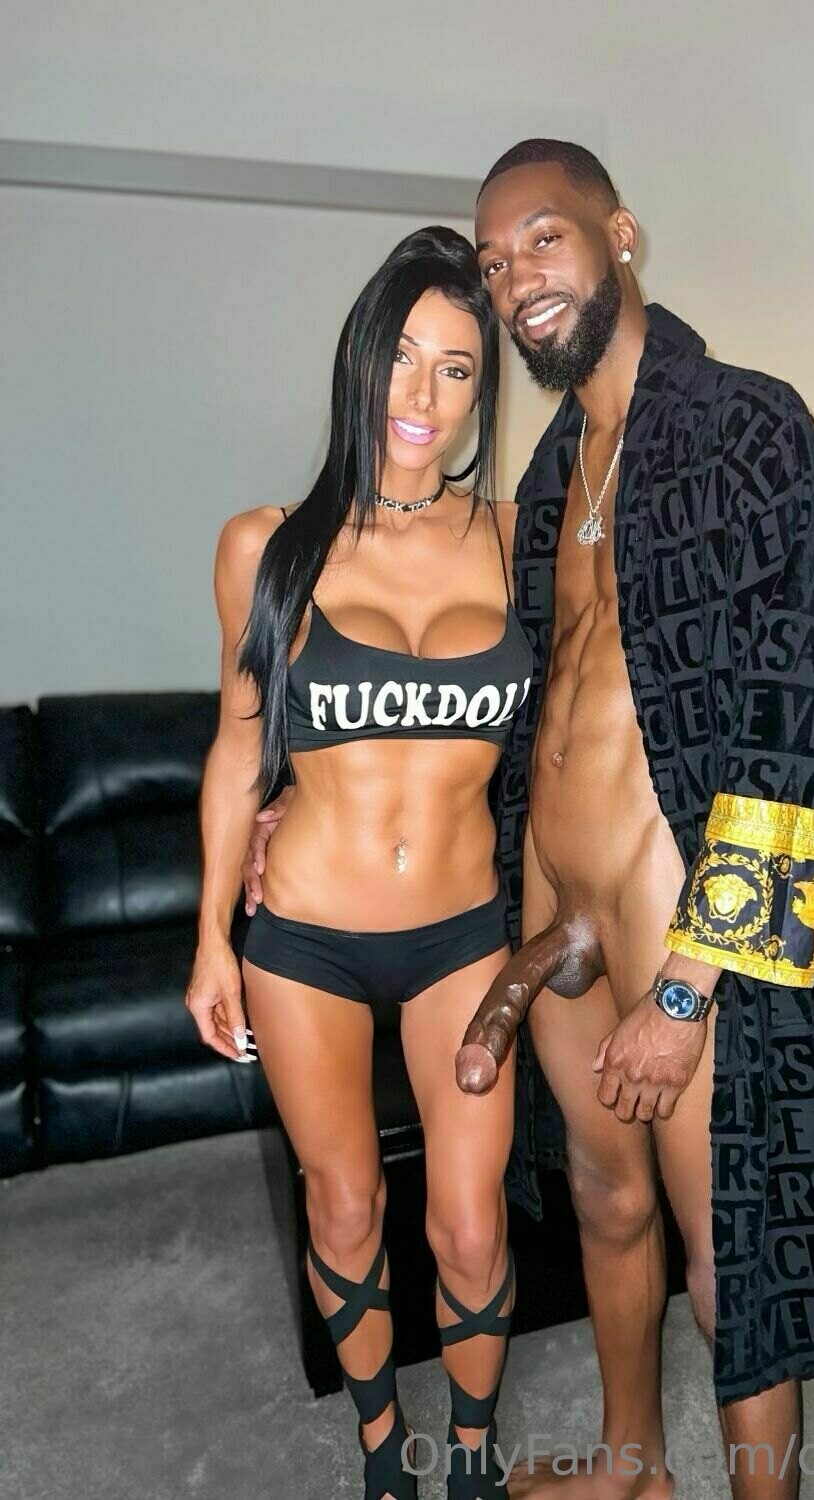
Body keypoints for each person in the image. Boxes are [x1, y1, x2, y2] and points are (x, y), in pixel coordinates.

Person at [248, 143, 814, 1499]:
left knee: (730, 1257)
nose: (516, 276)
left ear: (619, 234)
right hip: (563, 917)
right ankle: (635, 1466)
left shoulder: (748, 425)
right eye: (494, 257)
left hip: (692, 925)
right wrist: (298, 791)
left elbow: (806, 720)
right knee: (606, 1205)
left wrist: (692, 986)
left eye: (543, 237)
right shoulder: (547, 479)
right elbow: (502, 714)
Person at [185, 225, 532, 1500]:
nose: (423, 394)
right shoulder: (266, 545)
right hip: (307, 939)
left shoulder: (518, 540)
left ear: (482, 391)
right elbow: (236, 751)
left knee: (472, 1224)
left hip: (464, 935)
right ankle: (386, 1453)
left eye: (457, 367)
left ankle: (474, 1464)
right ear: (360, 360)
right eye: (402, 357)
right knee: (343, 1208)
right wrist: (210, 936)